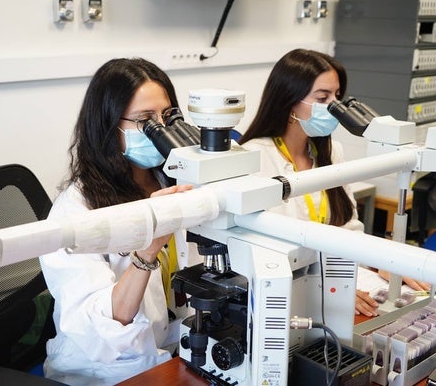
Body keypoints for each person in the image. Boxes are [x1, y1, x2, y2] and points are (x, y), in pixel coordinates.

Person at [237, 48, 430, 318]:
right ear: (290, 100)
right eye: (322, 97)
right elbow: (267, 249)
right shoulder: (253, 159)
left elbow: (348, 229)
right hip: (286, 293)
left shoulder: (330, 151)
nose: (333, 106)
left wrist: (379, 264)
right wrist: (325, 286)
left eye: (337, 96)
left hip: (344, 277)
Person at [39, 57, 196, 386]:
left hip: (174, 346)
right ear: (111, 126)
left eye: (167, 117)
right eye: (144, 121)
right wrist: (149, 247)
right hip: (107, 367)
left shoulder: (171, 180)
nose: (160, 130)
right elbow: (106, 326)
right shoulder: (76, 211)